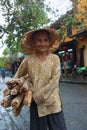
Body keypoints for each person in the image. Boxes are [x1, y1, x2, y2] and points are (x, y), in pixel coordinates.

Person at [14, 28, 67, 130]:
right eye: (39, 40)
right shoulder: (28, 60)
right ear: (34, 42)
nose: (43, 43)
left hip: (53, 104)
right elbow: (17, 78)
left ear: (49, 42)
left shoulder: (55, 59)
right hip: (36, 107)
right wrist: (25, 86)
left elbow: (54, 82)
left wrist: (36, 97)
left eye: (45, 40)